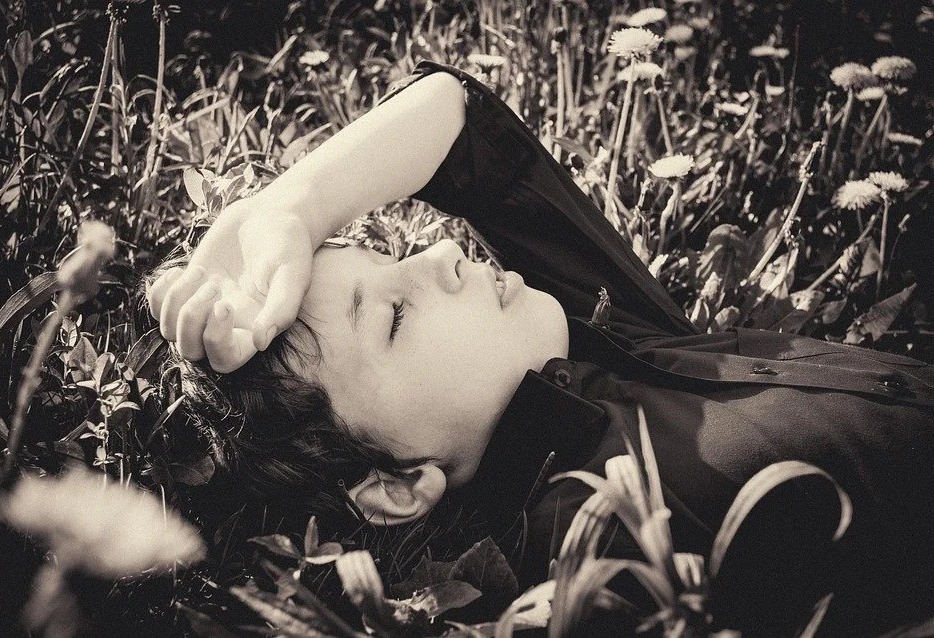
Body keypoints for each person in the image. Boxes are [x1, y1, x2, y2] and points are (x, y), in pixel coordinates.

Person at [146, 61, 934, 635]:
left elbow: (455, 120)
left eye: (396, 262)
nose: (440, 258)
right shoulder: (607, 541)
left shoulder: (608, 330)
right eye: (392, 315)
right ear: (397, 487)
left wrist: (288, 207)